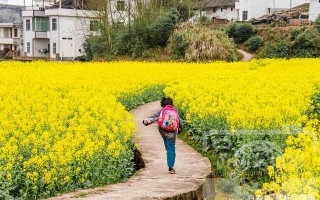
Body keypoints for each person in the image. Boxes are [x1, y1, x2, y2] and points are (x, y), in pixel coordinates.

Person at [142, 97, 183, 174]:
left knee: (167, 145)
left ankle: (168, 154)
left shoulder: (162, 111)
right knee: (171, 148)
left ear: (162, 104)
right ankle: (171, 167)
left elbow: (154, 117)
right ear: (172, 104)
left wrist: (146, 121)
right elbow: (179, 122)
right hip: (172, 133)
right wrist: (180, 130)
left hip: (163, 131)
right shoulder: (174, 111)